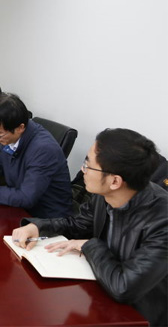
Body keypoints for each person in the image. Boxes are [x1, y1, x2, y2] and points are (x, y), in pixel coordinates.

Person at [12, 128, 167, 326]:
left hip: (138, 316)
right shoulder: (106, 194)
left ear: (115, 181)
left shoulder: (162, 220)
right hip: (101, 292)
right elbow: (78, 224)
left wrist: (89, 245)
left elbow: (124, 287)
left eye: (88, 165)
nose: (82, 170)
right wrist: (37, 227)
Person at [0, 93, 72, 218]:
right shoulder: (11, 136)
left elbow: (26, 197)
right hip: (18, 209)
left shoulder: (43, 149)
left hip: (45, 220)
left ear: (20, 128)